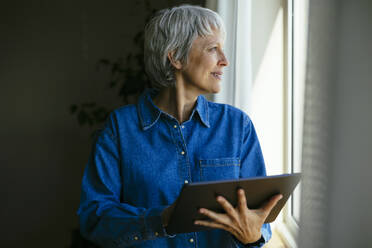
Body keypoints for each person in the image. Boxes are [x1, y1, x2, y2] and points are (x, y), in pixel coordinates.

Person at [77, 4, 282, 248]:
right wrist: (160, 219)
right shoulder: (120, 128)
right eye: (212, 49)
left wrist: (253, 236)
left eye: (223, 50)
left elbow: (259, 220)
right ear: (175, 56)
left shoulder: (237, 126)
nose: (225, 61)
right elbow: (94, 217)